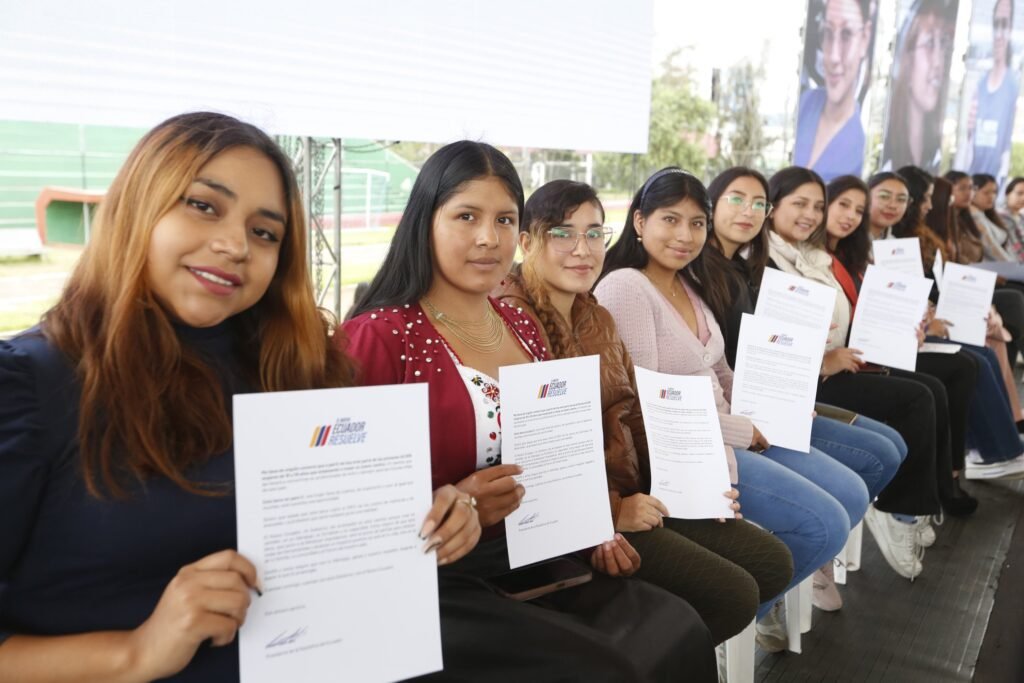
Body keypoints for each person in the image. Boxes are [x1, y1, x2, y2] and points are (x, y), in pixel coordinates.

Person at [0, 112, 479, 681]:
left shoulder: (304, 371)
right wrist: (134, 653)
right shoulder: (30, 386)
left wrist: (436, 515)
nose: (233, 245)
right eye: (203, 205)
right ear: (137, 205)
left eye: (264, 232)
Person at [343, 142, 716, 681]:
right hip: (432, 580)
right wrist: (458, 506)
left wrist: (592, 528)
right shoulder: (380, 338)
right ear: (425, 221)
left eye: (503, 220)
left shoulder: (518, 326)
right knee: (609, 668)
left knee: (679, 627)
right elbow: (346, 512)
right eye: (466, 216)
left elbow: (552, 454)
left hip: (534, 552)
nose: (487, 238)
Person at [494, 179, 793, 645]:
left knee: (772, 562)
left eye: (594, 234)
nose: (583, 249)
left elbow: (636, 414)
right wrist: (611, 512)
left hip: (633, 493)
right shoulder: (513, 324)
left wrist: (695, 486)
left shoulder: (595, 316)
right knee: (731, 594)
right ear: (528, 242)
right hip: (575, 518)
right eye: (563, 234)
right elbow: (538, 458)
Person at [594, 167, 865, 653]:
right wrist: (742, 429)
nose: (684, 235)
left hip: (732, 438)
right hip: (687, 455)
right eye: (670, 220)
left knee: (840, 502)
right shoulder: (626, 287)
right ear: (638, 221)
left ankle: (733, 623)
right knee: (820, 524)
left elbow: (720, 372)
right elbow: (646, 403)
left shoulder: (689, 285)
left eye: (696, 224)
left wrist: (774, 410)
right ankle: (728, 628)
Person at [703, 166, 907, 611]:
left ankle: (787, 573)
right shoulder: (701, 270)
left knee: (885, 452)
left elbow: (747, 354)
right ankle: (763, 600)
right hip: (739, 418)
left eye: (759, 204)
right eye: (737, 200)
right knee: (874, 458)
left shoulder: (749, 267)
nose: (750, 212)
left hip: (771, 402)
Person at [794, 0, 876, 180]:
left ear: (865, 38)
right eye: (828, 33)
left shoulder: (861, 145)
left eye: (846, 35)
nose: (833, 56)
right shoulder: (804, 104)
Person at [880, 0, 957, 172]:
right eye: (929, 43)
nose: (938, 61)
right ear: (905, 60)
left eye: (943, 44)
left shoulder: (935, 158)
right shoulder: (887, 165)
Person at [964, 0, 1019, 178]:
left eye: (1004, 25)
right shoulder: (979, 84)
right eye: (996, 24)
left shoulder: (1013, 84)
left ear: (1011, 29)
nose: (999, 34)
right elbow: (968, 146)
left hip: (996, 180)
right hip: (972, 177)